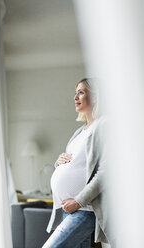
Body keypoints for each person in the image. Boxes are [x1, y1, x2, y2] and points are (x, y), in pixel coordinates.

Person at [42, 78, 110, 248]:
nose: (75, 97)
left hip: (86, 210)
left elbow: (106, 172)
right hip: (70, 210)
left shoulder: (104, 125)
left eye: (81, 92)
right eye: (76, 92)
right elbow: (77, 164)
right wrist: (60, 163)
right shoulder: (79, 132)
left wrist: (78, 201)